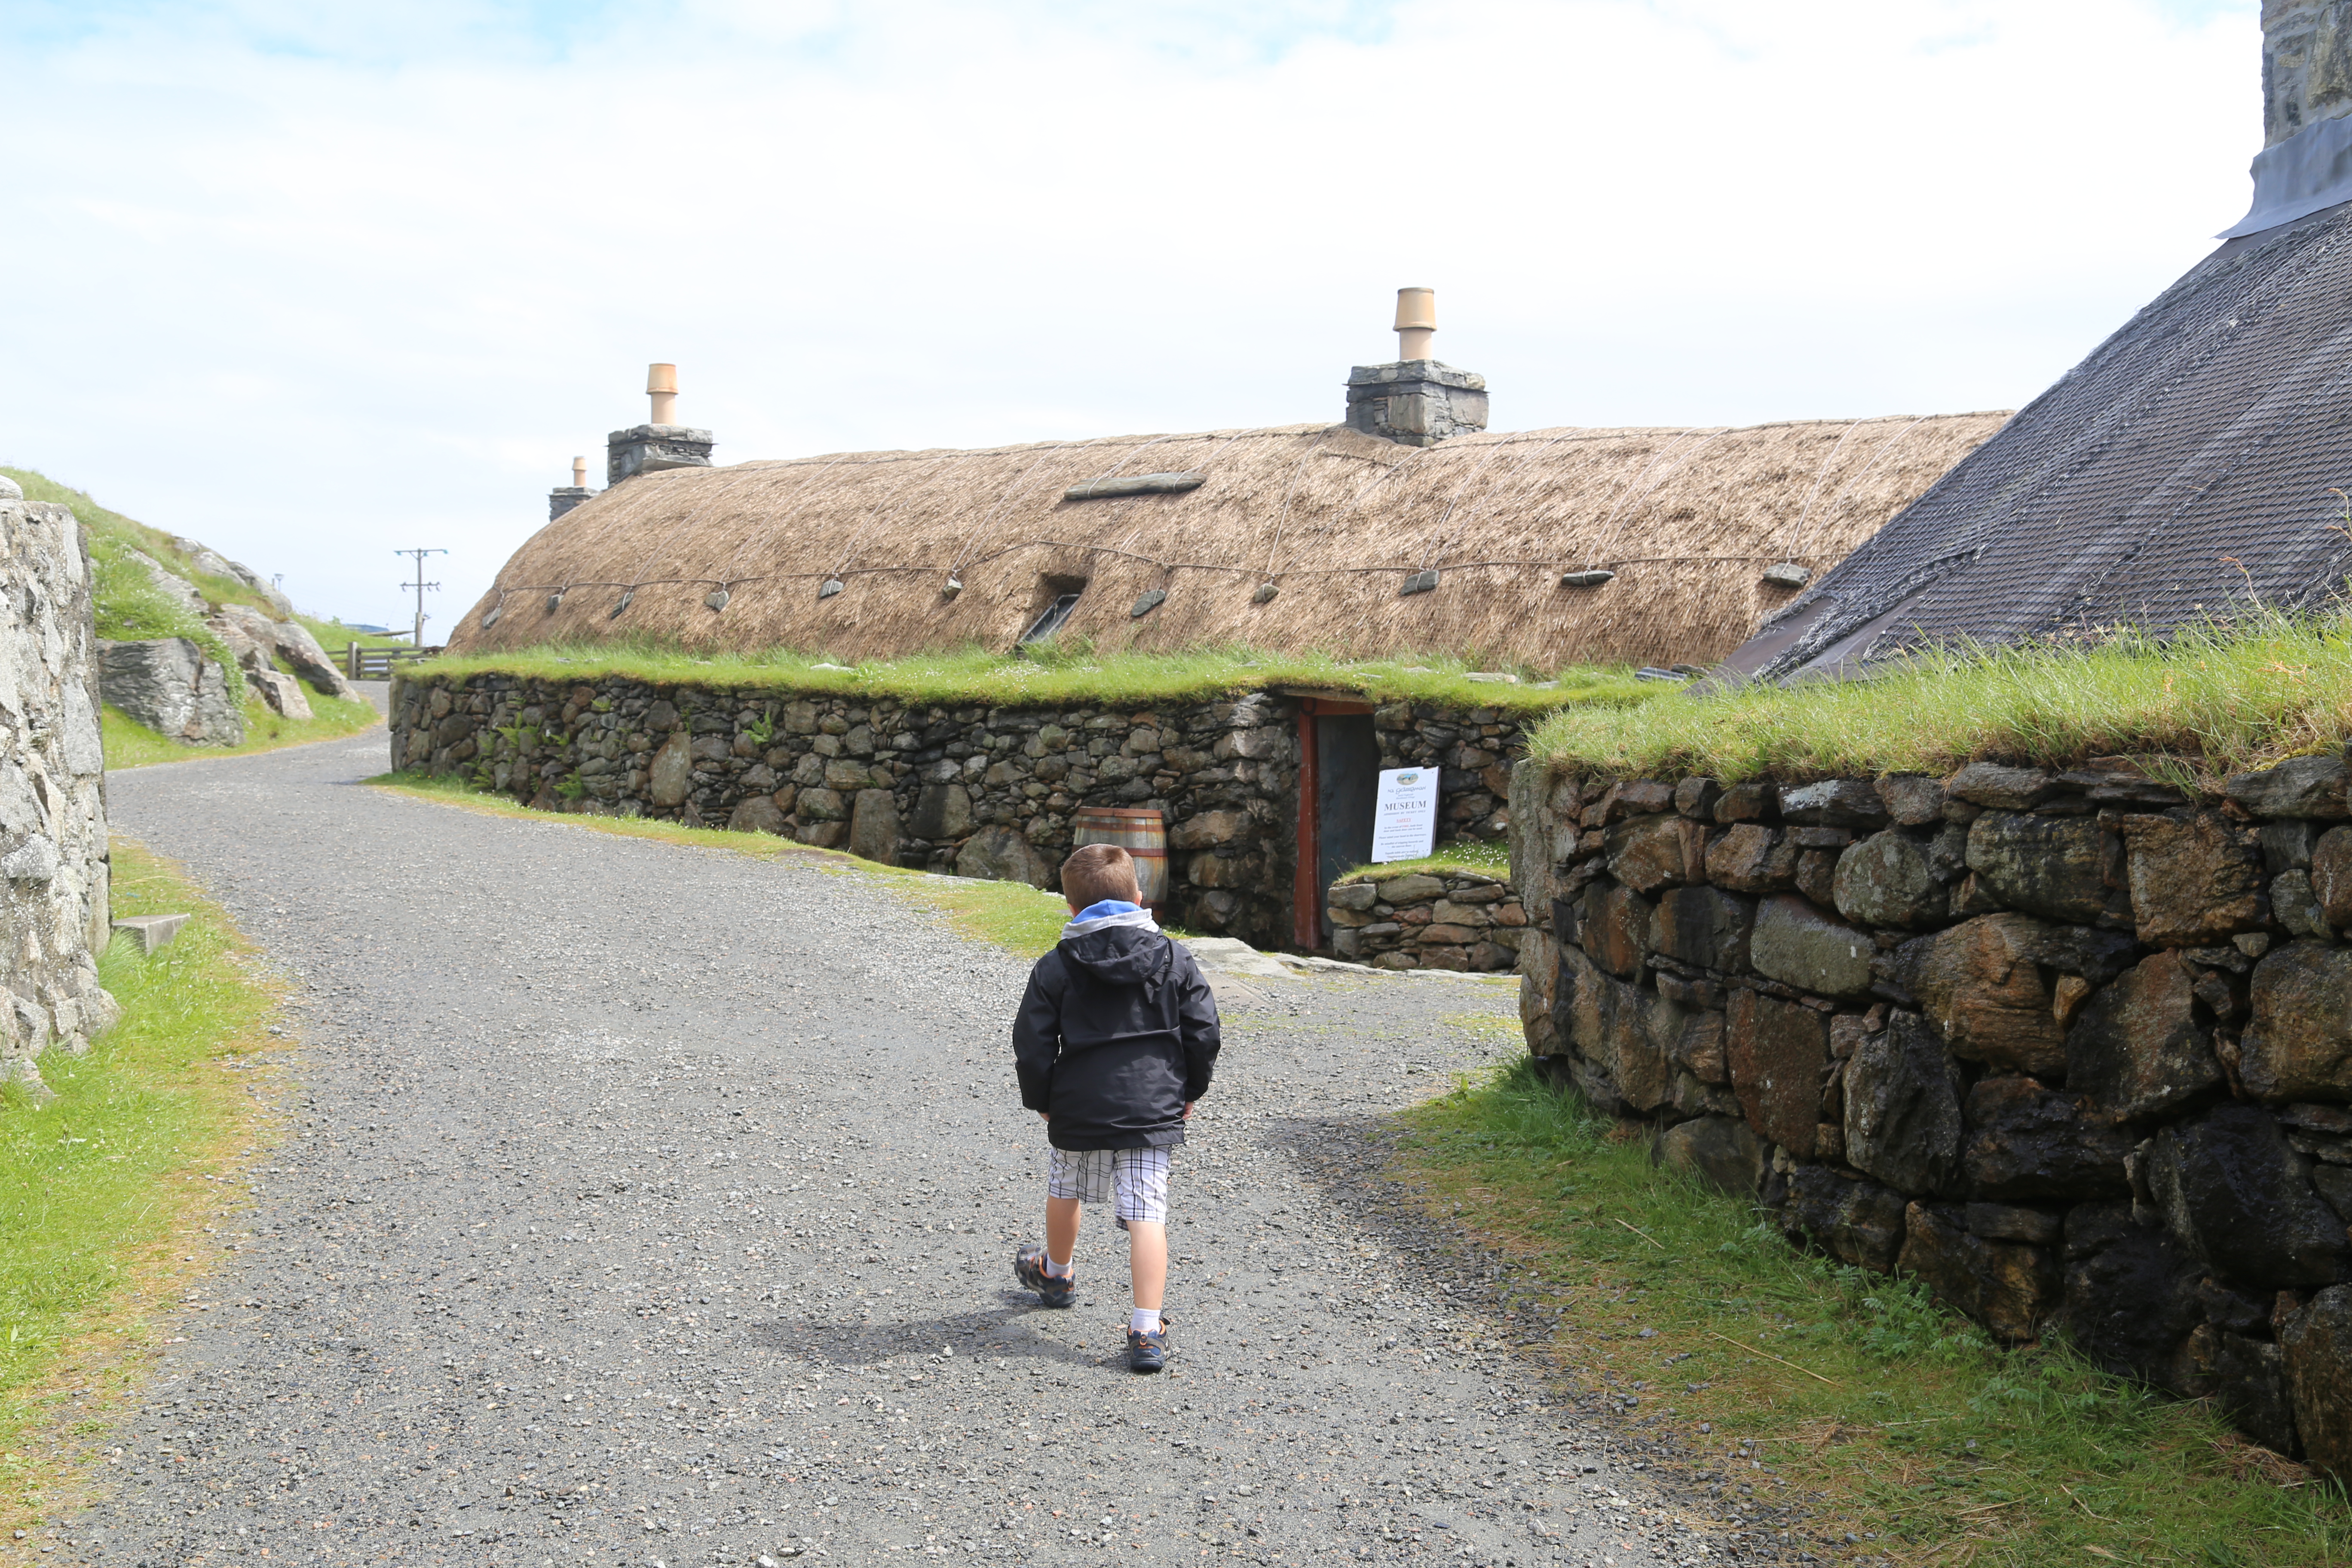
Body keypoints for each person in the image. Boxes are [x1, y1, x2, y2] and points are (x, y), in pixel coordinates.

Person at [1010, 843, 1221, 1372]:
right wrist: (1189, 1091)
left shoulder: (1057, 966)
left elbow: (1033, 1044)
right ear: (1140, 897)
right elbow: (1204, 1032)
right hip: (1152, 1106)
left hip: (1079, 1103)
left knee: (1066, 1187)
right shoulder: (1173, 956)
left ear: (1071, 910)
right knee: (1147, 1212)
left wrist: (1043, 1101)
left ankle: (1057, 1274)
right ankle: (1146, 1328)